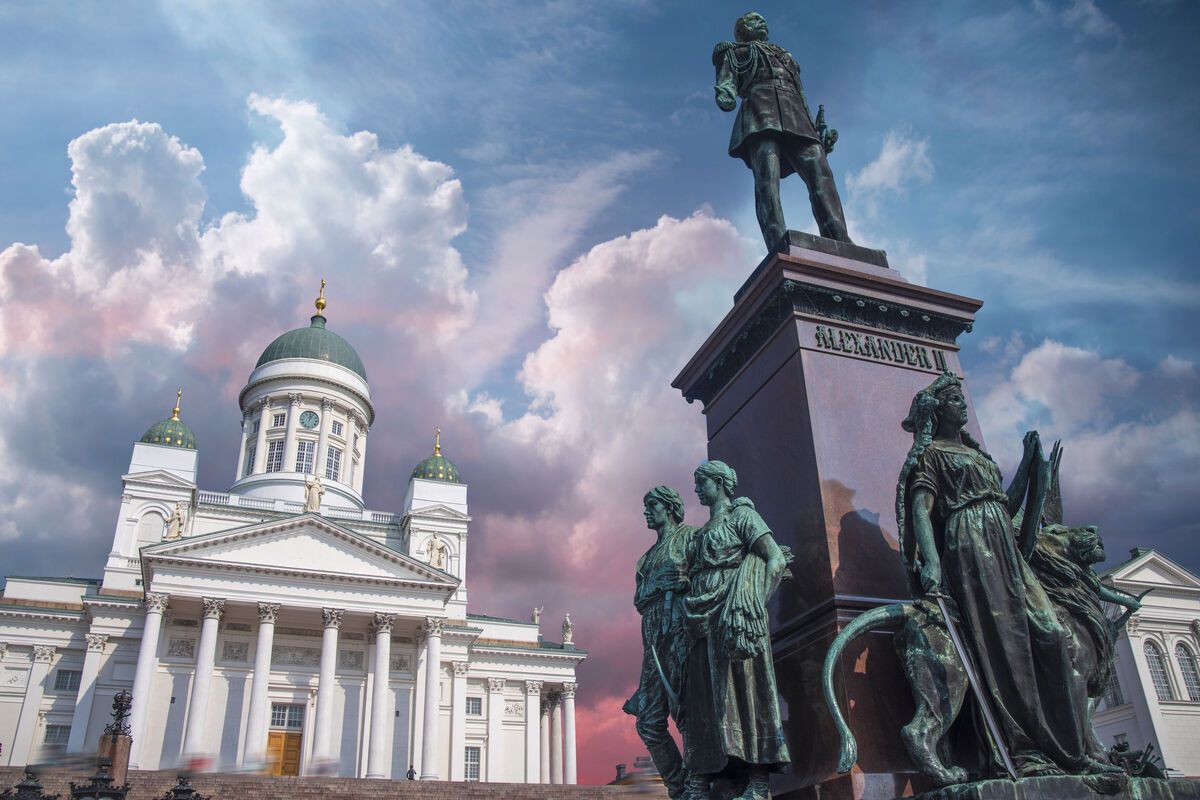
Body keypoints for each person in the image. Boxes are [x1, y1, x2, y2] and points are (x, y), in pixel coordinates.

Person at [897, 372, 1123, 778]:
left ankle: (1070, 747)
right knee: (1002, 648)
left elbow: (1006, 503)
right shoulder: (931, 455)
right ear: (937, 410)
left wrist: (1028, 463)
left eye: (962, 398)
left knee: (1049, 633)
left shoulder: (980, 457)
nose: (963, 405)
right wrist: (929, 560)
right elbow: (921, 510)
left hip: (1003, 546)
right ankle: (1022, 750)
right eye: (954, 399)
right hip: (969, 547)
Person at [681, 461, 790, 800]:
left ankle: (758, 780)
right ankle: (705, 778)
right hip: (701, 619)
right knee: (704, 700)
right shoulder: (699, 534)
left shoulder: (742, 517)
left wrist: (752, 604)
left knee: (746, 693)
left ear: (721, 483)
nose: (697, 488)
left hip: (733, 616)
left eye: (702, 482)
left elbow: (776, 558)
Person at [713, 12, 851, 249]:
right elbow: (727, 82)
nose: (762, 22)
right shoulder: (735, 53)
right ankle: (778, 242)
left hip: (795, 113)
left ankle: (840, 239)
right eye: (754, 20)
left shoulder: (785, 56)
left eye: (763, 20)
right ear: (741, 31)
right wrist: (725, 93)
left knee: (821, 172)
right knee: (767, 178)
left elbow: (802, 94)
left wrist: (816, 129)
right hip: (759, 111)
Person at [623, 486, 695, 800]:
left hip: (680, 627)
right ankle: (679, 786)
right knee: (649, 721)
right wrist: (658, 582)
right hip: (652, 636)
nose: (646, 512)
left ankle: (698, 784)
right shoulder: (645, 558)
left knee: (687, 712)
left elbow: (706, 574)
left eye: (651, 505)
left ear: (668, 507)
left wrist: (683, 579)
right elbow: (638, 598)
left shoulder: (690, 537)